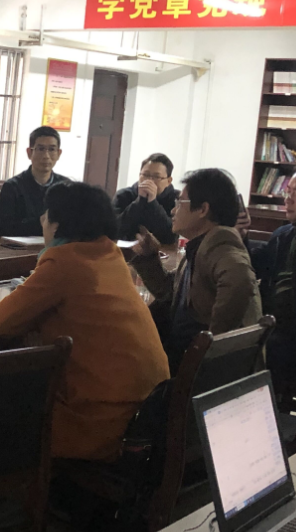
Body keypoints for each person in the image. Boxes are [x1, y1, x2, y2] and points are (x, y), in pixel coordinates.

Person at [0, 182, 169, 461]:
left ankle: (17, 483)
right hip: (149, 413)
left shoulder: (64, 262)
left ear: (59, 224)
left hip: (101, 422)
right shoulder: (110, 255)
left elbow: (0, 322)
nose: (42, 219)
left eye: (47, 213)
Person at [132, 168, 261, 375]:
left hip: (202, 373)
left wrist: (211, 345)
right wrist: (149, 257)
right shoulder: (200, 245)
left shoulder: (221, 244)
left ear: (203, 209)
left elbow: (241, 281)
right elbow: (169, 292)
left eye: (180, 203)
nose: (173, 211)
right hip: (182, 359)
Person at [248, 175, 296, 403]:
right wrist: (242, 236)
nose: (289, 199)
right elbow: (256, 267)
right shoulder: (282, 234)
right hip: (273, 325)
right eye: (288, 192)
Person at [0, 126, 70, 237]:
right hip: (18, 247)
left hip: (57, 246)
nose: (46, 156)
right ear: (29, 152)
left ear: (59, 153)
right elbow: (2, 229)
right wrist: (40, 222)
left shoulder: (66, 187)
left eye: (51, 149)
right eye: (40, 149)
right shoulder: (12, 187)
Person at [114, 153, 179, 244]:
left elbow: (171, 236)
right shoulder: (124, 195)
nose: (149, 180)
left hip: (165, 250)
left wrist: (152, 203)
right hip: (125, 250)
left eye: (156, 177)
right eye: (145, 175)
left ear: (169, 181)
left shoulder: (177, 199)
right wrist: (140, 201)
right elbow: (114, 229)